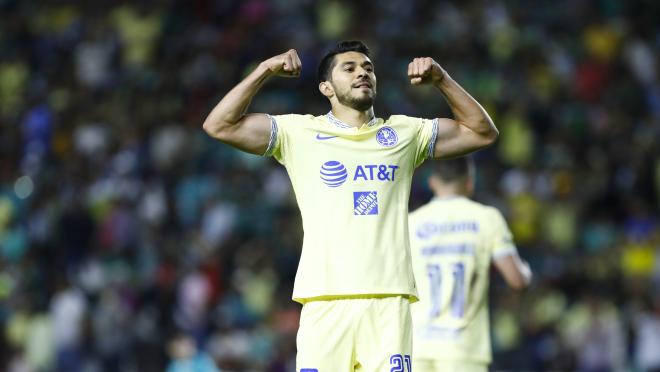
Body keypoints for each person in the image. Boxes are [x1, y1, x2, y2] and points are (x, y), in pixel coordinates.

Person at [202, 40, 498, 371]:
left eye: (368, 68)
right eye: (350, 68)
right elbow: (219, 125)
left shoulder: (404, 133)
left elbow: (481, 133)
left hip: (388, 301)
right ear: (326, 87)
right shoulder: (298, 132)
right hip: (324, 300)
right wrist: (264, 71)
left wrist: (442, 79)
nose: (362, 73)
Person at [408, 157, 532, 372]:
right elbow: (516, 280)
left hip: (417, 345)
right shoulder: (486, 218)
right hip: (463, 349)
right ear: (470, 182)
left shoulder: (411, 221)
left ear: (433, 182)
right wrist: (526, 272)